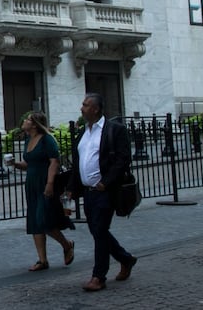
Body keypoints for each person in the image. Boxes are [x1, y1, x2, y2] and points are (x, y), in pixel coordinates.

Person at [65, 92, 137, 292]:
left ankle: (99, 276)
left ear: (95, 109)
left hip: (105, 191)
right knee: (98, 231)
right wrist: (71, 188)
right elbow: (77, 162)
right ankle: (125, 258)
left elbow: (123, 159)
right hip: (88, 192)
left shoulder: (115, 129)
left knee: (99, 230)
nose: (82, 108)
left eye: (85, 105)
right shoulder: (82, 132)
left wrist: (105, 183)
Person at [7, 112, 75, 271]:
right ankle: (42, 260)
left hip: (45, 182)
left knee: (43, 219)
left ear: (35, 124)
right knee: (34, 221)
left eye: (28, 119)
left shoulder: (47, 139)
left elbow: (54, 161)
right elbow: (29, 164)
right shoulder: (28, 139)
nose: (24, 121)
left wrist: (50, 183)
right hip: (32, 183)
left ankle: (67, 245)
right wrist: (15, 164)